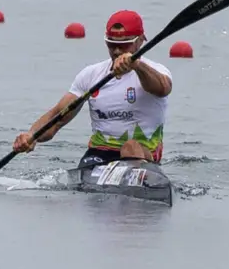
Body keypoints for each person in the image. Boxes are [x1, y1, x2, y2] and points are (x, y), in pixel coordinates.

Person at [12, 10, 173, 170]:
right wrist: (32, 135)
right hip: (99, 154)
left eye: (124, 45)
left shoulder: (157, 71)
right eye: (111, 44)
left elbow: (163, 88)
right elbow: (58, 118)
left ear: (140, 41)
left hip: (143, 155)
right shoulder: (90, 75)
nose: (117, 51)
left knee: (130, 147)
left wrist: (137, 65)